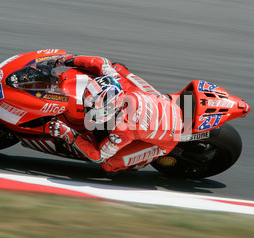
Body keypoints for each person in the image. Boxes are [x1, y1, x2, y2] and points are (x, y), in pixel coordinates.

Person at [49, 54, 182, 174]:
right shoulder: (118, 83)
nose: (88, 111)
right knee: (118, 68)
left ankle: (137, 163)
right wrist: (66, 59)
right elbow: (101, 62)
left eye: (92, 109)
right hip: (167, 105)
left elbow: (98, 155)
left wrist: (68, 134)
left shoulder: (122, 130)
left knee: (108, 164)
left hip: (169, 139)